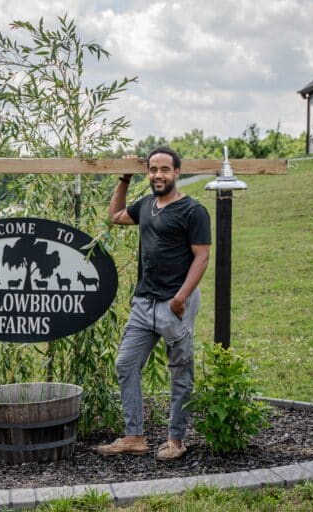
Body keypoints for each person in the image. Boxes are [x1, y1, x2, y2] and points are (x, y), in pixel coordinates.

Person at [95, 146, 211, 460]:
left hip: (175, 303)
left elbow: (202, 257)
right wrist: (123, 179)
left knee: (180, 371)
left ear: (177, 173)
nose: (158, 175)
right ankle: (134, 437)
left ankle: (175, 440)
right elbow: (116, 216)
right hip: (144, 303)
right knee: (126, 363)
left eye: (164, 169)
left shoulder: (193, 211)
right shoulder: (146, 204)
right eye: (153, 169)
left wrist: (181, 298)